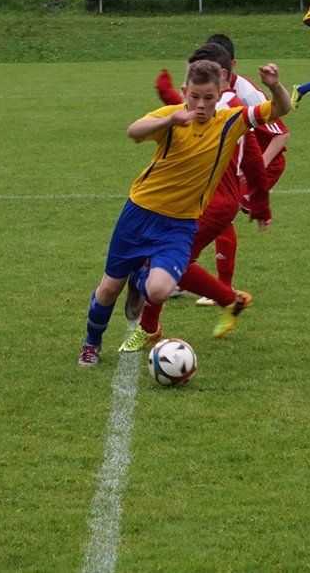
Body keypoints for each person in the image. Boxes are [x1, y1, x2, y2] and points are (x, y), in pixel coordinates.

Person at [77, 60, 292, 368]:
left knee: (160, 290)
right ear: (184, 92)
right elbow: (133, 130)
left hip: (179, 225)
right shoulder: (173, 116)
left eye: (208, 97)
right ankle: (91, 344)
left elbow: (281, 109)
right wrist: (169, 120)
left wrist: (274, 86)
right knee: (110, 287)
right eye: (194, 96)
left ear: (220, 94)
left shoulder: (232, 121)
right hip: (139, 213)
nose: (201, 104)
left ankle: (142, 277)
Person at [123, 44, 273, 351]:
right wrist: (166, 93)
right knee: (169, 260)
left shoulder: (232, 110)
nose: (198, 99)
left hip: (216, 201)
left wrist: (260, 202)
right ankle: (224, 299)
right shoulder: (211, 103)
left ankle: (223, 302)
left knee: (166, 261)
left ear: (220, 79)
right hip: (204, 200)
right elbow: (184, 113)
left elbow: (253, 155)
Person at [155, 33, 290, 306]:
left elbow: (281, 134)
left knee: (215, 217)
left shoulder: (242, 96)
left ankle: (214, 287)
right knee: (204, 221)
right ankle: (187, 279)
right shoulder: (214, 97)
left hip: (256, 163)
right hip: (231, 162)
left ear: (224, 72)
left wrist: (253, 175)